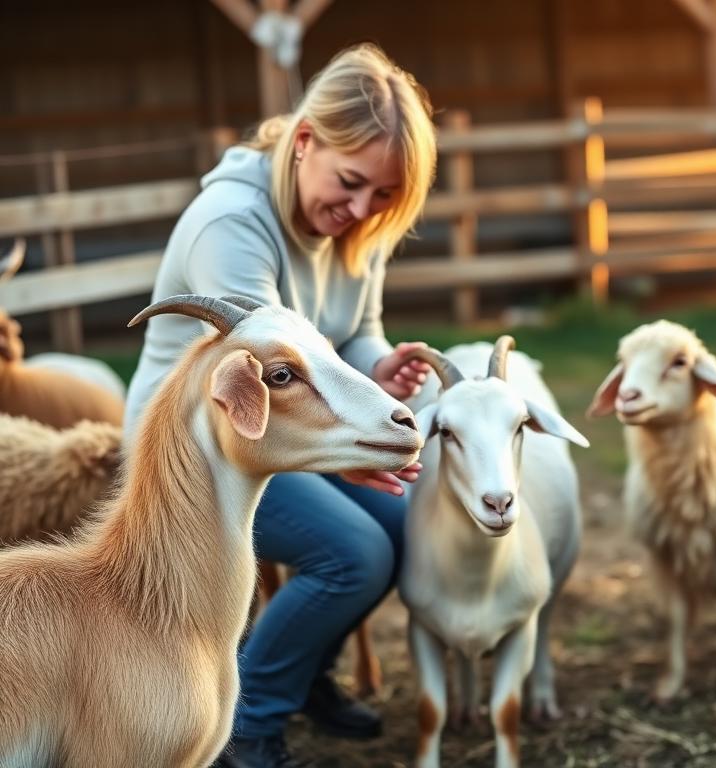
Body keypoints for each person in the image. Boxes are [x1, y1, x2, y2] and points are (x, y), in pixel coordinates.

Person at [123, 44, 437, 768]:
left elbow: (352, 333)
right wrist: (349, 447)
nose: (361, 210)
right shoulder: (231, 222)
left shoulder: (356, 225)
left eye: (384, 196)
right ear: (304, 142)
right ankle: (249, 723)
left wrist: (378, 366)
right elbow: (275, 366)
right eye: (351, 182)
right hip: (208, 443)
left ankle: (301, 673)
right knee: (353, 554)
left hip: (292, 423)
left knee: (406, 524)